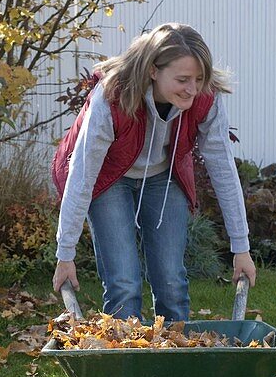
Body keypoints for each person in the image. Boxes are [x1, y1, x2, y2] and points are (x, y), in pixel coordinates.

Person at [51, 23, 256, 320]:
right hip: (109, 177)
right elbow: (82, 176)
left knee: (172, 282)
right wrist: (65, 252)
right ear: (153, 70)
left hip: (163, 175)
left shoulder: (204, 98)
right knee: (124, 283)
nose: (193, 89)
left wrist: (242, 248)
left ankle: (175, 361)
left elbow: (223, 170)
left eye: (198, 79)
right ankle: (125, 363)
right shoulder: (111, 98)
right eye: (183, 79)